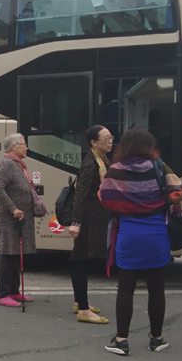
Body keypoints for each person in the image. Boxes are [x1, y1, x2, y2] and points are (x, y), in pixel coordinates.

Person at [98, 128, 182, 356]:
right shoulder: (159, 167)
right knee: (157, 289)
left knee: (126, 288)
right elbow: (178, 192)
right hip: (157, 234)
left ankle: (121, 340)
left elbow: (104, 197)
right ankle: (156, 338)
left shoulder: (115, 170)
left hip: (128, 234)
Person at [67, 126, 113, 324]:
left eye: (111, 137)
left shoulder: (101, 160)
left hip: (95, 217)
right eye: (106, 138)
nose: (110, 141)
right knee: (80, 260)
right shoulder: (90, 163)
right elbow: (80, 194)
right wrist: (76, 222)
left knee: (82, 259)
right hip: (87, 219)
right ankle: (84, 310)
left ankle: (80, 302)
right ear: (94, 142)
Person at [0, 134, 39, 307]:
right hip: (9, 217)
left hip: (19, 218)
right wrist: (13, 208)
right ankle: (1, 294)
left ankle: (13, 291)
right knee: (8, 254)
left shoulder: (17, 164)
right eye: (23, 144)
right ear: (13, 146)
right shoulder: (7, 164)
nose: (26, 148)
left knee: (15, 254)